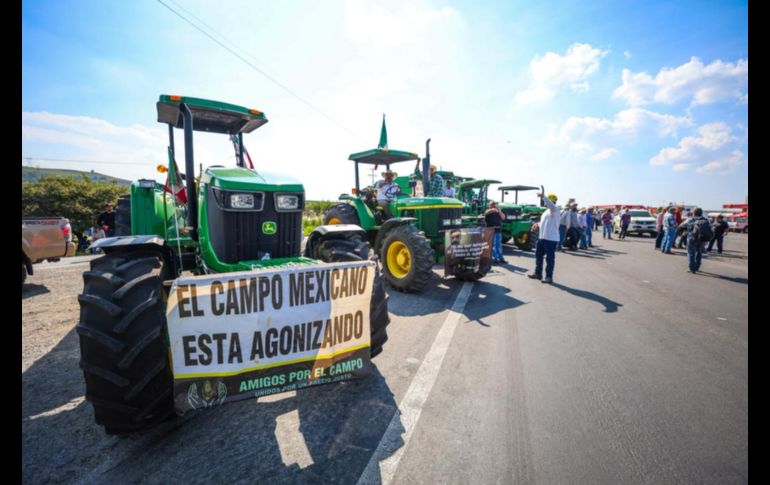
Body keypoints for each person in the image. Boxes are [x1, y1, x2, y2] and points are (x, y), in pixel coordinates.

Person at [528, 193, 560, 284]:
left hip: (551, 239)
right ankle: (538, 273)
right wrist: (537, 224)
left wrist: (543, 197)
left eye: (546, 201)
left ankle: (549, 277)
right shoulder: (546, 212)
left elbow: (551, 205)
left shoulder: (555, 209)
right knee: (538, 256)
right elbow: (543, 222)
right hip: (542, 238)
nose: (544, 203)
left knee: (549, 259)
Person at [679, 207, 710, 273]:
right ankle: (697, 267)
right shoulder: (706, 220)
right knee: (699, 253)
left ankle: (692, 268)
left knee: (691, 253)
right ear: (701, 213)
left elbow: (681, 226)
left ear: (694, 213)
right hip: (702, 239)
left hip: (692, 238)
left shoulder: (690, 219)